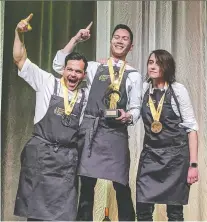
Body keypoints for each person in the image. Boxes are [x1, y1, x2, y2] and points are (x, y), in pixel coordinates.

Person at [53, 23, 142, 221]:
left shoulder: (134, 75)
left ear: (131, 46)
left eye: (125, 38)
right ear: (111, 41)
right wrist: (76, 39)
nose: (120, 41)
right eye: (116, 37)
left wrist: (127, 116)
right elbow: (59, 66)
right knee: (86, 187)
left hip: (115, 134)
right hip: (91, 132)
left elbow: (136, 109)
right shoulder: (94, 67)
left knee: (121, 186)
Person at [13, 14, 88, 221]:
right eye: (70, 69)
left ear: (84, 75)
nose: (73, 74)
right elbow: (19, 59)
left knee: (64, 217)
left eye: (78, 71)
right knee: (36, 216)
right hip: (41, 157)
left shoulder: (85, 95)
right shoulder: (47, 82)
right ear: (63, 70)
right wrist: (18, 33)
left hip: (66, 162)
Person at [136, 49, 199, 221]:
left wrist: (193, 165)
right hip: (150, 155)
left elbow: (191, 128)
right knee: (142, 211)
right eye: (150, 62)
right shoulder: (142, 89)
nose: (153, 66)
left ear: (167, 66)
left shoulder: (178, 90)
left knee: (175, 213)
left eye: (158, 63)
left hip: (176, 158)